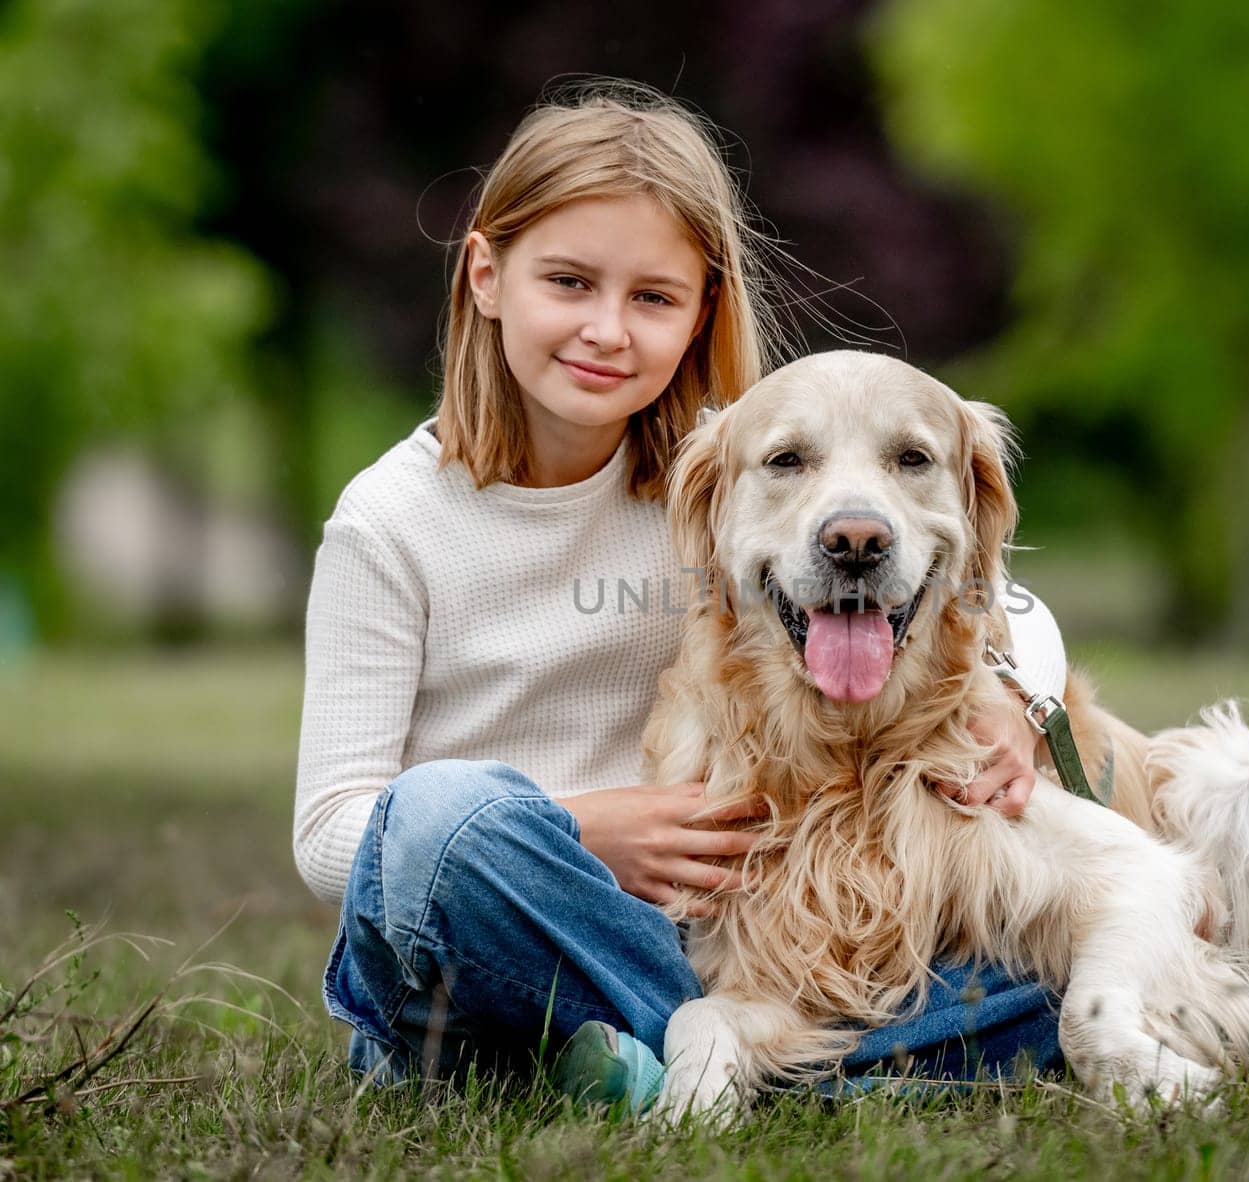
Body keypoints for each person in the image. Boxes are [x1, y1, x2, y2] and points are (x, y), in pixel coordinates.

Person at [293, 80, 1071, 1111]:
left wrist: (1024, 701)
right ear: (485, 273)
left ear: (704, 307)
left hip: (700, 944)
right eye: (568, 282)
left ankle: (685, 1065)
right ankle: (817, 1065)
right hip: (474, 961)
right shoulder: (389, 523)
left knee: (1040, 961)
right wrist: (572, 832)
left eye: (654, 297)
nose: (607, 330)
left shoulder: (734, 478)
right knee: (442, 816)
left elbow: (994, 601)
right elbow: (332, 834)